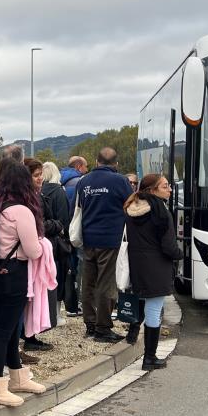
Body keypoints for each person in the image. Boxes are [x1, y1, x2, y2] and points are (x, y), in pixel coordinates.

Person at [0, 159, 47, 407]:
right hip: (15, 273)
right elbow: (33, 250)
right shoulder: (21, 211)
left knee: (8, 327)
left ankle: (16, 376)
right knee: (5, 331)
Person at [123, 174, 183, 370]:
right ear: (153, 190)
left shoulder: (131, 208)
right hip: (157, 265)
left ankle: (133, 330)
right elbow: (168, 246)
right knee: (154, 310)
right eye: (165, 186)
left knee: (140, 297)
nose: (170, 189)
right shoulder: (161, 211)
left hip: (136, 262)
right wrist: (180, 254)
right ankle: (150, 358)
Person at [75, 147, 132, 343]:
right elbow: (130, 206)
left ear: (97, 162)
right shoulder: (121, 181)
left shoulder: (84, 181)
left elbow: (80, 206)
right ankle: (103, 328)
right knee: (106, 284)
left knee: (88, 283)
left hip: (88, 239)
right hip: (110, 240)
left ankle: (90, 324)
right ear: (115, 164)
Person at [20, 158, 64, 351]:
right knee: (33, 295)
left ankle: (30, 333)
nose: (40, 179)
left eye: (41, 175)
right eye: (36, 175)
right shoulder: (30, 198)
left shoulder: (35, 196)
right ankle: (29, 335)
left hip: (39, 251)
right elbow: (37, 226)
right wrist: (57, 225)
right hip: (34, 254)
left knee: (36, 296)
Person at [40, 161, 70, 321]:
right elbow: (64, 218)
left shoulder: (38, 191)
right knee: (58, 277)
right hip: (57, 242)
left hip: (41, 241)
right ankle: (56, 314)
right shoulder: (59, 192)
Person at [59, 156, 87, 318]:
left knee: (66, 267)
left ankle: (66, 304)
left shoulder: (59, 180)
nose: (86, 170)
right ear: (78, 166)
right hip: (75, 231)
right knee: (78, 268)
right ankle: (76, 303)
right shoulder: (79, 183)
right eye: (85, 167)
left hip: (61, 232)